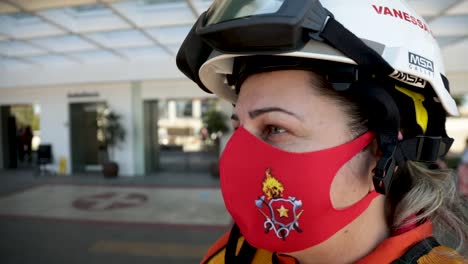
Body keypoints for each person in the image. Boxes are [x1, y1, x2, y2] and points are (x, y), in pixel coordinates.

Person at [177, 0, 468, 263]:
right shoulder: (231, 255)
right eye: (238, 127)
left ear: (384, 147)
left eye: (275, 127)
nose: (237, 158)